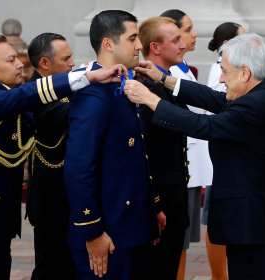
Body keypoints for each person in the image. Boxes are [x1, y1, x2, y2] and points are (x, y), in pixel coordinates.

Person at [0, 35, 127, 280]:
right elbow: (24, 98)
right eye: (10, 60)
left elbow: (28, 102)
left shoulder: (13, 101)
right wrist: (87, 76)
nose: (20, 64)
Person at [124, 33, 265, 280]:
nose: (222, 78)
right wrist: (163, 79)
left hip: (257, 230)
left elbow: (202, 125)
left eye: (225, 71)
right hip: (255, 225)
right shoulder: (260, 94)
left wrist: (150, 99)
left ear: (245, 73)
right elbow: (213, 98)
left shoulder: (255, 106)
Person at [63, 10, 165, 280]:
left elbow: (136, 155)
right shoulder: (93, 94)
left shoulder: (121, 84)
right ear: (108, 44)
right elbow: (79, 166)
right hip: (108, 233)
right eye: (133, 38)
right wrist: (91, 230)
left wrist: (151, 210)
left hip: (130, 227)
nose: (140, 46)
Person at [160, 9, 213, 280]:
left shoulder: (181, 69)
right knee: (175, 242)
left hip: (194, 163)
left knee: (182, 240)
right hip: (182, 164)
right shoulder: (165, 72)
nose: (191, 37)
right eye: (186, 31)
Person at [138, 16, 189, 280]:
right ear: (155, 47)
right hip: (162, 204)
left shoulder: (164, 82)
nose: (183, 45)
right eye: (176, 40)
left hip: (174, 197)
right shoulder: (144, 90)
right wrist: (153, 204)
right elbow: (146, 152)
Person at [26, 32, 76, 279]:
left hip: (71, 194)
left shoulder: (65, 86)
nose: (72, 63)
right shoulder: (32, 92)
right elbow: (62, 114)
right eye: (66, 58)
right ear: (45, 63)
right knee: (50, 267)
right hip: (50, 197)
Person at [203, 21, 246, 280]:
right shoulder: (223, 67)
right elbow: (219, 105)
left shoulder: (231, 62)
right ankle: (219, 275)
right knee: (214, 221)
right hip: (219, 153)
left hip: (227, 151)